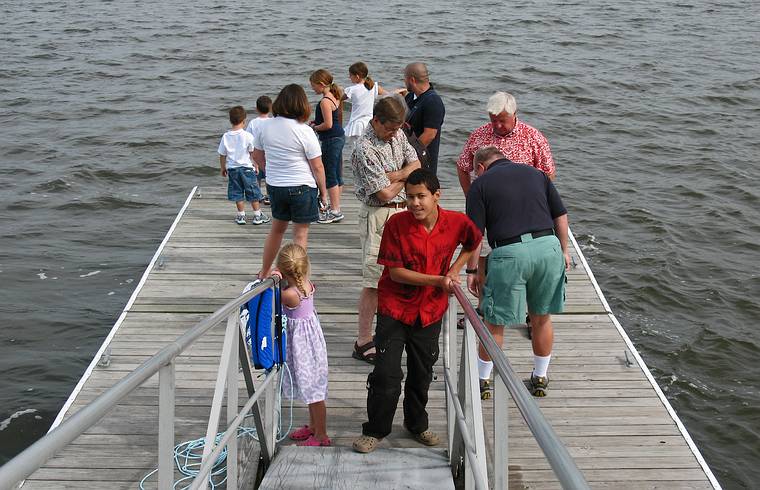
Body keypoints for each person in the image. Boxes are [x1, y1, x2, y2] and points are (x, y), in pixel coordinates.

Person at [352, 168, 482, 453]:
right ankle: (375, 430)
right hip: (395, 308)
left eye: (421, 196)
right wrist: (439, 280)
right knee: (386, 374)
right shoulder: (396, 224)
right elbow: (396, 273)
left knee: (421, 373)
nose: (414, 203)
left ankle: (417, 424)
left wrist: (458, 269)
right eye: (409, 197)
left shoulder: (456, 222)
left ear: (437, 196)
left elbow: (474, 240)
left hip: (430, 311)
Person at [465, 148, 570, 398]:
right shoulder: (537, 174)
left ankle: (483, 381)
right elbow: (561, 215)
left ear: (480, 168)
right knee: (541, 317)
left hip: (509, 254)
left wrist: (471, 271)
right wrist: (564, 252)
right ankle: (540, 377)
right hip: (548, 248)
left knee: (495, 322)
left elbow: (475, 235)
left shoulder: (480, 186)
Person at [349, 95, 420, 364]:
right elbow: (384, 193)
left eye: (397, 129)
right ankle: (363, 340)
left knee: (404, 273)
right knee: (375, 280)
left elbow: (417, 165)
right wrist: (404, 174)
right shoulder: (364, 149)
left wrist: (396, 175)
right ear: (376, 121)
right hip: (379, 216)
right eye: (389, 129)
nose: (393, 134)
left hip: (405, 212)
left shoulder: (398, 134)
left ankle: (394, 330)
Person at [253, 84, 329, 278]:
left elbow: (257, 154)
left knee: (276, 230)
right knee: (300, 235)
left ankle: (264, 271)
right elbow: (317, 167)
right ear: (301, 105)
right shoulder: (304, 131)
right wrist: (324, 193)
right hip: (302, 187)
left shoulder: (265, 126)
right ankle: (297, 277)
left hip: (276, 186)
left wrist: (269, 171)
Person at [276, 243, 331, 447]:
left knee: (315, 393)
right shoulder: (306, 284)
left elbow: (270, 299)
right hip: (311, 344)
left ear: (281, 270)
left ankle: (321, 435)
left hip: (303, 348)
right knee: (311, 389)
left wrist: (271, 277)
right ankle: (314, 427)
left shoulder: (289, 294)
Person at [457, 91, 556, 196]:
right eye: (494, 120)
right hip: (487, 199)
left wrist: (534, 198)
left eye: (502, 121)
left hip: (522, 199)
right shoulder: (479, 135)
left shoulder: (534, 137)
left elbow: (548, 173)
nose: (498, 125)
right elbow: (462, 166)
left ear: (514, 114)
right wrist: (469, 196)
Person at [217, 105, 271, 225]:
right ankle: (257, 215)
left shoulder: (226, 136)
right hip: (247, 168)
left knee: (237, 192)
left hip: (232, 169)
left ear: (230, 120)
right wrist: (256, 165)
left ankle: (241, 216)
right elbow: (253, 153)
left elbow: (222, 154)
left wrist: (223, 167)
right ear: (244, 121)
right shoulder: (247, 136)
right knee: (253, 191)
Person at [309, 69, 346, 224]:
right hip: (339, 137)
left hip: (331, 138)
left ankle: (335, 210)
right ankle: (335, 206)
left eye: (313, 86)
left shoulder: (325, 101)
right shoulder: (335, 96)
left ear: (321, 84)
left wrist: (315, 127)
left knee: (330, 174)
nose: (312, 89)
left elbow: (328, 124)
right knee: (337, 173)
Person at [403, 62, 445, 175]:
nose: (404, 81)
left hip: (422, 161)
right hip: (408, 156)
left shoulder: (433, 101)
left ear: (411, 80)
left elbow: (429, 135)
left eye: (405, 78)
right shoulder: (410, 97)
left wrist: (408, 157)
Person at [343, 62, 386, 140]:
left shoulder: (352, 89)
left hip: (357, 124)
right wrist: (400, 91)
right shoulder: (374, 87)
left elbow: (338, 98)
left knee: (355, 148)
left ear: (357, 76)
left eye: (350, 75)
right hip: (369, 123)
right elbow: (388, 95)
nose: (349, 77)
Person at [245, 95, 273, 205]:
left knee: (256, 177)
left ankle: (257, 195)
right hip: (268, 153)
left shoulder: (253, 122)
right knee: (268, 176)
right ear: (270, 109)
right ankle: (269, 196)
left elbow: (248, 137)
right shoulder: (272, 122)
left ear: (257, 109)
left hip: (256, 153)